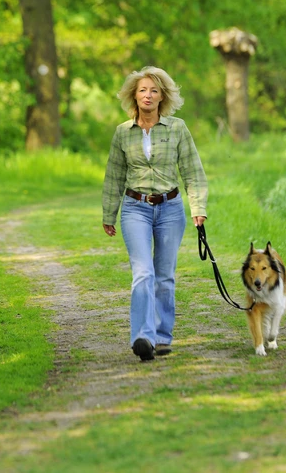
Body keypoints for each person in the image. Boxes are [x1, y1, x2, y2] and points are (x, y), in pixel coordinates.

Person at [101, 66, 208, 361]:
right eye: (142, 90)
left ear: (163, 97)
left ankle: (162, 337)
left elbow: (193, 171)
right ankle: (143, 336)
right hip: (135, 207)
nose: (148, 95)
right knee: (143, 273)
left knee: (164, 276)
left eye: (154, 90)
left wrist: (198, 207)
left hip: (171, 209)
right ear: (134, 96)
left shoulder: (177, 128)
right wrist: (109, 213)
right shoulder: (123, 133)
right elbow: (114, 175)